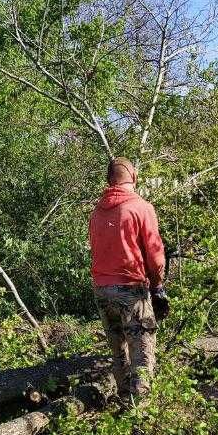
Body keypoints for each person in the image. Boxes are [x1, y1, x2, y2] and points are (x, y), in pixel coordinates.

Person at [89, 157, 168, 402]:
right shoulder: (141, 207)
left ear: (108, 180)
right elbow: (155, 256)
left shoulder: (96, 213)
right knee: (142, 354)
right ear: (133, 177)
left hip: (101, 290)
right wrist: (158, 287)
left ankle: (124, 401)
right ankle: (140, 415)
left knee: (119, 353)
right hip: (130, 290)